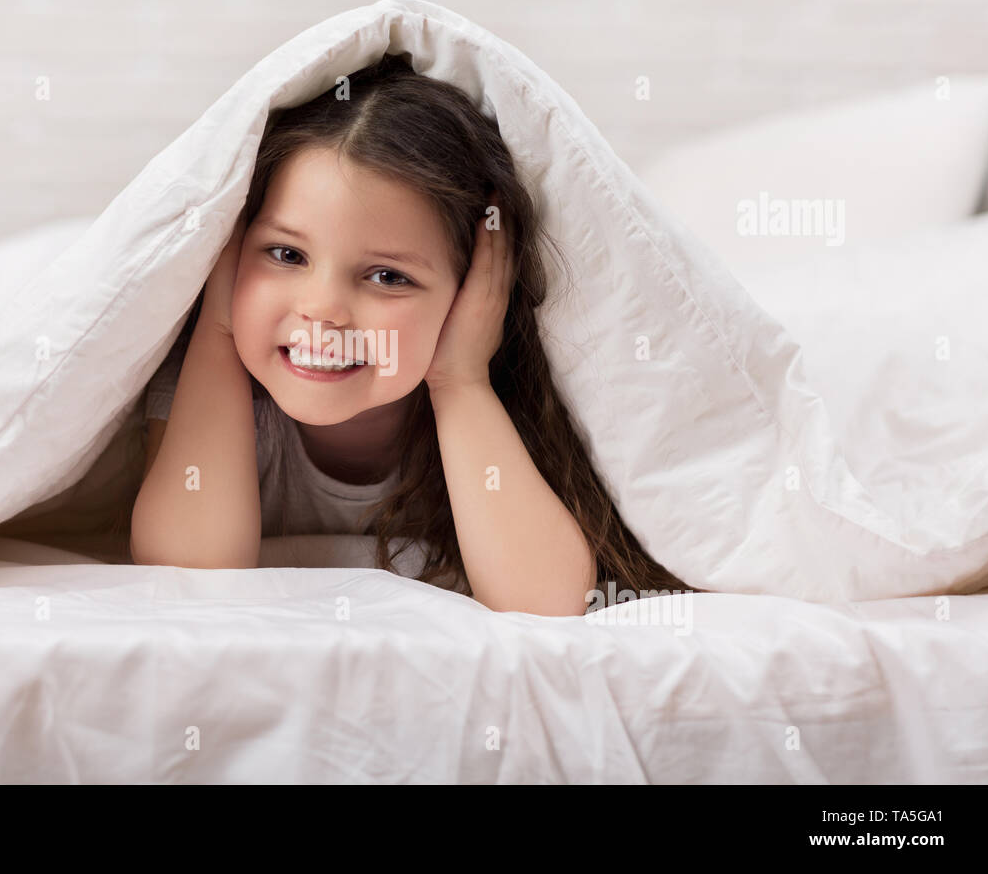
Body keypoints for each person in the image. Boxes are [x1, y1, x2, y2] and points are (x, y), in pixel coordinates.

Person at [127, 53, 696, 616]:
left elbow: (547, 602)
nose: (322, 311)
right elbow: (188, 576)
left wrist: (460, 380)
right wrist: (222, 326)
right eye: (286, 254)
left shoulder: (490, 402)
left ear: (474, 292)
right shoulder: (209, 378)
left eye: (386, 276)